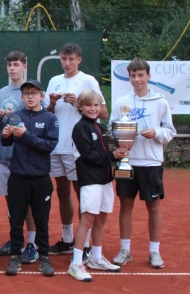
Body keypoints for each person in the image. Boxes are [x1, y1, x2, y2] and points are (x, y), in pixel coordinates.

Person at [110, 58, 176, 269]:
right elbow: (112, 128)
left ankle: (154, 252)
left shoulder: (160, 102)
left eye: (141, 75)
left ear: (148, 76)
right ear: (129, 78)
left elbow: (170, 131)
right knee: (125, 205)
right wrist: (122, 136)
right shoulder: (121, 102)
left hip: (151, 163)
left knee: (153, 206)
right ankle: (125, 250)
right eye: (133, 76)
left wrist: (155, 132)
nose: (137, 79)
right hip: (127, 161)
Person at [43, 43, 107, 257]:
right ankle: (67, 239)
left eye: (71, 59)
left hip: (79, 147)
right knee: (62, 192)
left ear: (79, 59)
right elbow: (48, 112)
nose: (67, 63)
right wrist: (52, 103)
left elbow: (103, 112)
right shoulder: (54, 80)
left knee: (82, 193)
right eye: (63, 59)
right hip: (56, 145)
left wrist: (78, 103)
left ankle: (85, 243)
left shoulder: (88, 81)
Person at [2, 80, 59, 277]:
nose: (30, 96)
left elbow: (48, 146)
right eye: (26, 93)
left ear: (42, 96)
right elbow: (6, 143)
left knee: (41, 220)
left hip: (40, 177)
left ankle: (44, 257)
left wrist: (25, 135)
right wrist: (6, 135)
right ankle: (15, 256)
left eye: (34, 93)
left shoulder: (50, 118)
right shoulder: (16, 116)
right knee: (16, 220)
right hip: (17, 176)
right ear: (22, 97)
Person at [68, 90, 126, 281]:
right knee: (87, 220)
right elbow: (88, 155)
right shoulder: (80, 128)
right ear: (80, 107)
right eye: (89, 105)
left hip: (106, 180)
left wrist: (117, 155)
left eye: (96, 105)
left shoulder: (99, 127)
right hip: (90, 180)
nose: (93, 109)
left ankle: (96, 257)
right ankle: (76, 263)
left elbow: (105, 154)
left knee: (101, 219)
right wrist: (112, 156)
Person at [0, 51, 38, 264]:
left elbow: (38, 121)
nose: (12, 68)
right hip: (5, 155)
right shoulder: (1, 93)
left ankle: (32, 244)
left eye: (16, 64)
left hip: (25, 156)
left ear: (24, 67)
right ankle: (15, 240)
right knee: (11, 201)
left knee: (28, 202)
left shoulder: (31, 91)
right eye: (9, 64)